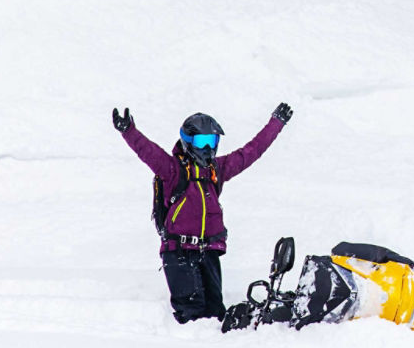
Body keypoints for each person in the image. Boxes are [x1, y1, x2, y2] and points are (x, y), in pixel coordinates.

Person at [112, 103, 293, 323]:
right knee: (192, 313)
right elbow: (149, 152)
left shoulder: (217, 170)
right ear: (188, 143)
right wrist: (128, 131)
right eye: (201, 142)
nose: (208, 149)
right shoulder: (172, 170)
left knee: (216, 313)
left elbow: (252, 151)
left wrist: (276, 123)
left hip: (209, 251)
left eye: (212, 142)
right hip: (179, 251)